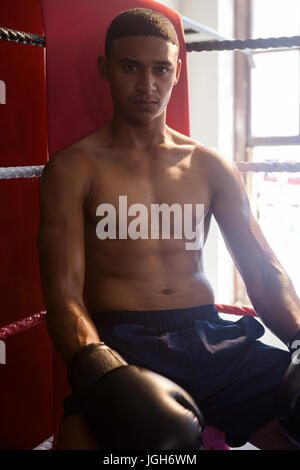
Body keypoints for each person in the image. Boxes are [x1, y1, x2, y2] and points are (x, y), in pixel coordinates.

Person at [37, 8, 300, 450]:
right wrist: (101, 368)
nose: (147, 85)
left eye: (160, 69)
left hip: (213, 342)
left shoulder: (209, 165)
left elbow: (262, 271)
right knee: (78, 443)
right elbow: (62, 295)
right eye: (130, 68)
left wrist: (299, 339)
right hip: (123, 347)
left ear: (177, 71)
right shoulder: (72, 169)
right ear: (106, 69)